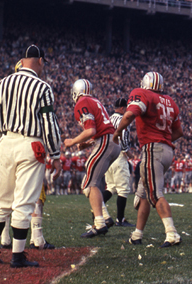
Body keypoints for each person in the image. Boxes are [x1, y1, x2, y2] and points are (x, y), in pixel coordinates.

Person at [0, 45, 62, 267]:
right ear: (40, 61)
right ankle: (17, 256)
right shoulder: (42, 87)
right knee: (24, 202)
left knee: (1, 200)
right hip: (31, 143)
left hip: (6, 142)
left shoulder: (2, 83)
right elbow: (49, 123)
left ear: (22, 60)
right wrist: (55, 153)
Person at [114, 71, 182, 248]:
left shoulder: (141, 93)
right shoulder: (170, 101)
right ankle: (137, 234)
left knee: (155, 194)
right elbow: (179, 132)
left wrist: (118, 131)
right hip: (167, 150)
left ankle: (172, 233)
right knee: (144, 194)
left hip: (153, 149)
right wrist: (164, 139)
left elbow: (129, 115)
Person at [64, 79, 120, 238]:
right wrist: (87, 144)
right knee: (87, 183)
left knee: (90, 183)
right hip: (110, 141)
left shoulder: (82, 102)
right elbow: (99, 129)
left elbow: (90, 130)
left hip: (106, 142)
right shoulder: (94, 100)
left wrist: (73, 141)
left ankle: (100, 223)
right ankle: (105, 218)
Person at [105, 98, 135, 227]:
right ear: (123, 108)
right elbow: (123, 137)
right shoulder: (123, 120)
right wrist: (128, 152)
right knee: (123, 189)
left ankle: (97, 211)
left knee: (111, 187)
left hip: (107, 157)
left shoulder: (108, 119)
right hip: (118, 155)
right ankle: (120, 219)